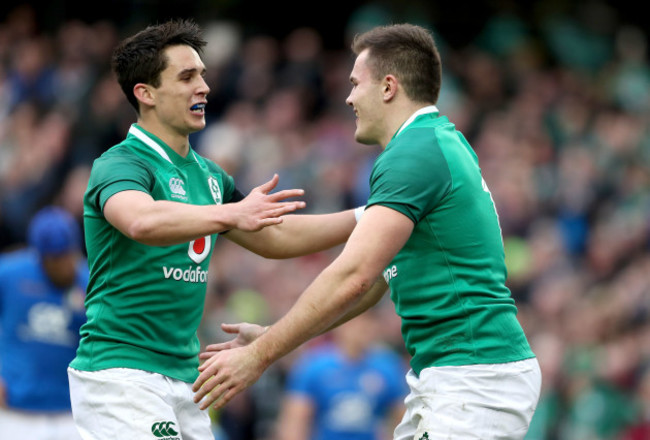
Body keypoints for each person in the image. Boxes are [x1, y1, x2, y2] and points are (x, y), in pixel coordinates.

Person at [193, 23, 542, 440]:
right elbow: (375, 281)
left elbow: (353, 275)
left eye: (356, 83)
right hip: (463, 375)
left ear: (389, 87)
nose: (349, 97)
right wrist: (274, 334)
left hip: (472, 376)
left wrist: (261, 356)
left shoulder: (413, 152)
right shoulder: (434, 142)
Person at [67, 19, 358, 440]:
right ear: (145, 94)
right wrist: (229, 215)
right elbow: (141, 220)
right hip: (121, 373)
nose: (203, 87)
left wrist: (370, 216)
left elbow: (275, 238)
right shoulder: (120, 163)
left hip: (186, 379)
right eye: (187, 77)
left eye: (202, 74)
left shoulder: (208, 175)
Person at [0, 206, 88, 440]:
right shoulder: (9, 274)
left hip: (71, 411)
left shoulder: (89, 283)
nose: (63, 266)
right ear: (39, 255)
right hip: (16, 410)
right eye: (54, 260)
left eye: (67, 256)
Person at [276, 310, 408, 440]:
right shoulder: (313, 366)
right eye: (355, 323)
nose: (362, 329)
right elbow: (295, 423)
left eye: (368, 322)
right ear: (340, 326)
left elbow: (403, 419)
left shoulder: (387, 366)